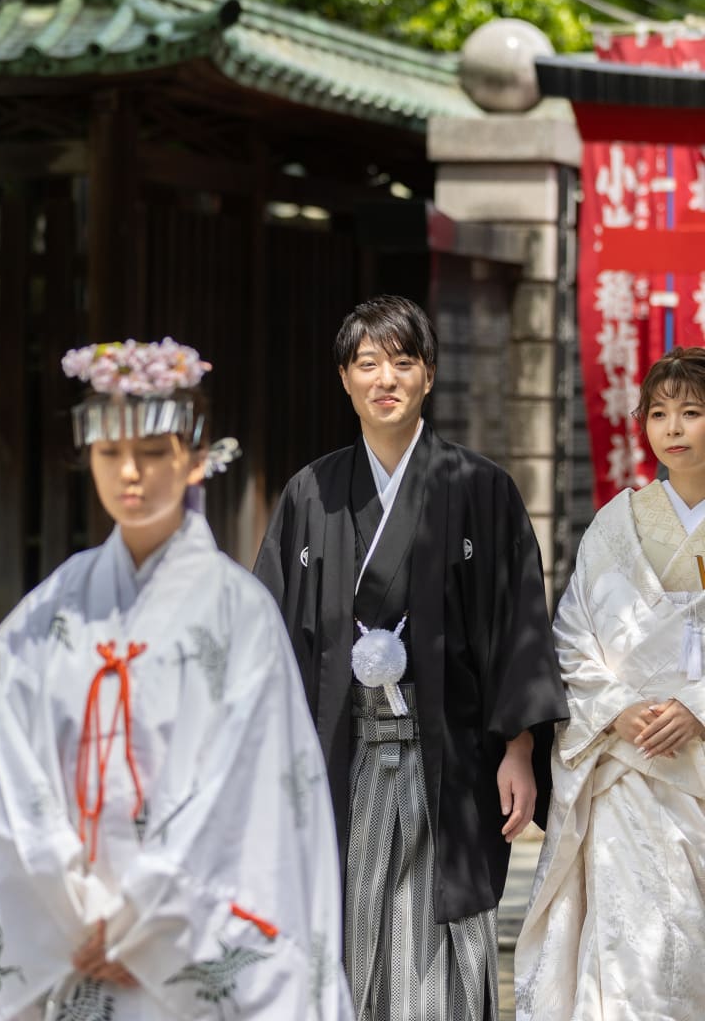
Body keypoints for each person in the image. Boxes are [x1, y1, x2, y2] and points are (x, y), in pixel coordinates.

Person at [0, 338, 353, 1021]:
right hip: (67, 937)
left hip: (188, 939)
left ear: (196, 458)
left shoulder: (241, 619)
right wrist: (76, 915)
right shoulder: (43, 617)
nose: (131, 475)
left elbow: (243, 797)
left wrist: (142, 922)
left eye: (152, 454)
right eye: (110, 455)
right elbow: (12, 770)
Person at [253, 295, 567, 1021]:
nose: (384, 378)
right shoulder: (312, 493)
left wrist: (519, 745)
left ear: (428, 375)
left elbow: (515, 620)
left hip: (448, 758)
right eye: (368, 363)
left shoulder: (480, 489)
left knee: (437, 942)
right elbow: (271, 635)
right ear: (344, 379)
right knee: (342, 926)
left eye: (403, 362)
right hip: (340, 752)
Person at [515, 345, 705, 1021]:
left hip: (699, 759)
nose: (674, 428)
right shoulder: (614, 523)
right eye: (659, 413)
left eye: (691, 412)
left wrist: (697, 707)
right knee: (623, 944)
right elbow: (571, 634)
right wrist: (619, 709)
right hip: (623, 763)